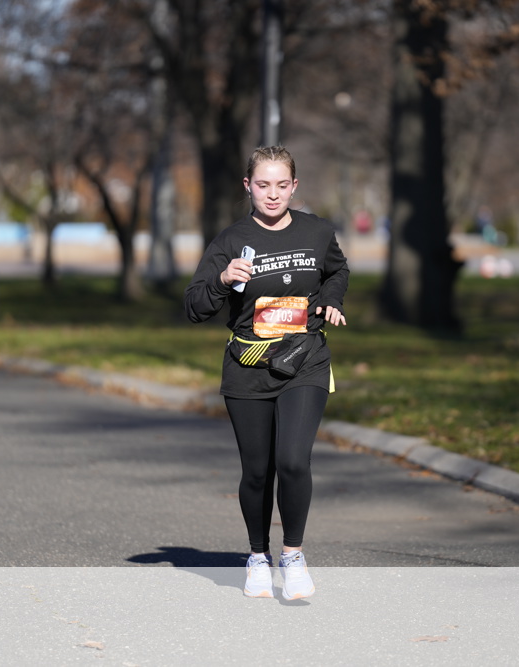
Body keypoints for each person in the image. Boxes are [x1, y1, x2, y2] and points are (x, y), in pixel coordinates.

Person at [184, 146, 349, 600]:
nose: (272, 194)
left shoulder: (317, 232)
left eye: (281, 185)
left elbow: (337, 271)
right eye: (262, 185)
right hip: (248, 367)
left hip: (304, 360)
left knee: (293, 460)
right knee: (257, 472)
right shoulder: (230, 241)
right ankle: (258, 556)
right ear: (248, 186)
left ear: (294, 186)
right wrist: (221, 281)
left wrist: (331, 301)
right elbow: (194, 307)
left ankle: (292, 555)